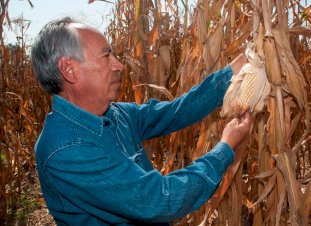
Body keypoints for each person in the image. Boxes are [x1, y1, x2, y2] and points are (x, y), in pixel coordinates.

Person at [31, 16, 250, 225]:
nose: (119, 66)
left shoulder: (117, 114)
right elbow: (161, 200)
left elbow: (176, 112)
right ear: (69, 69)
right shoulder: (66, 150)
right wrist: (225, 149)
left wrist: (230, 74)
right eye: (106, 56)